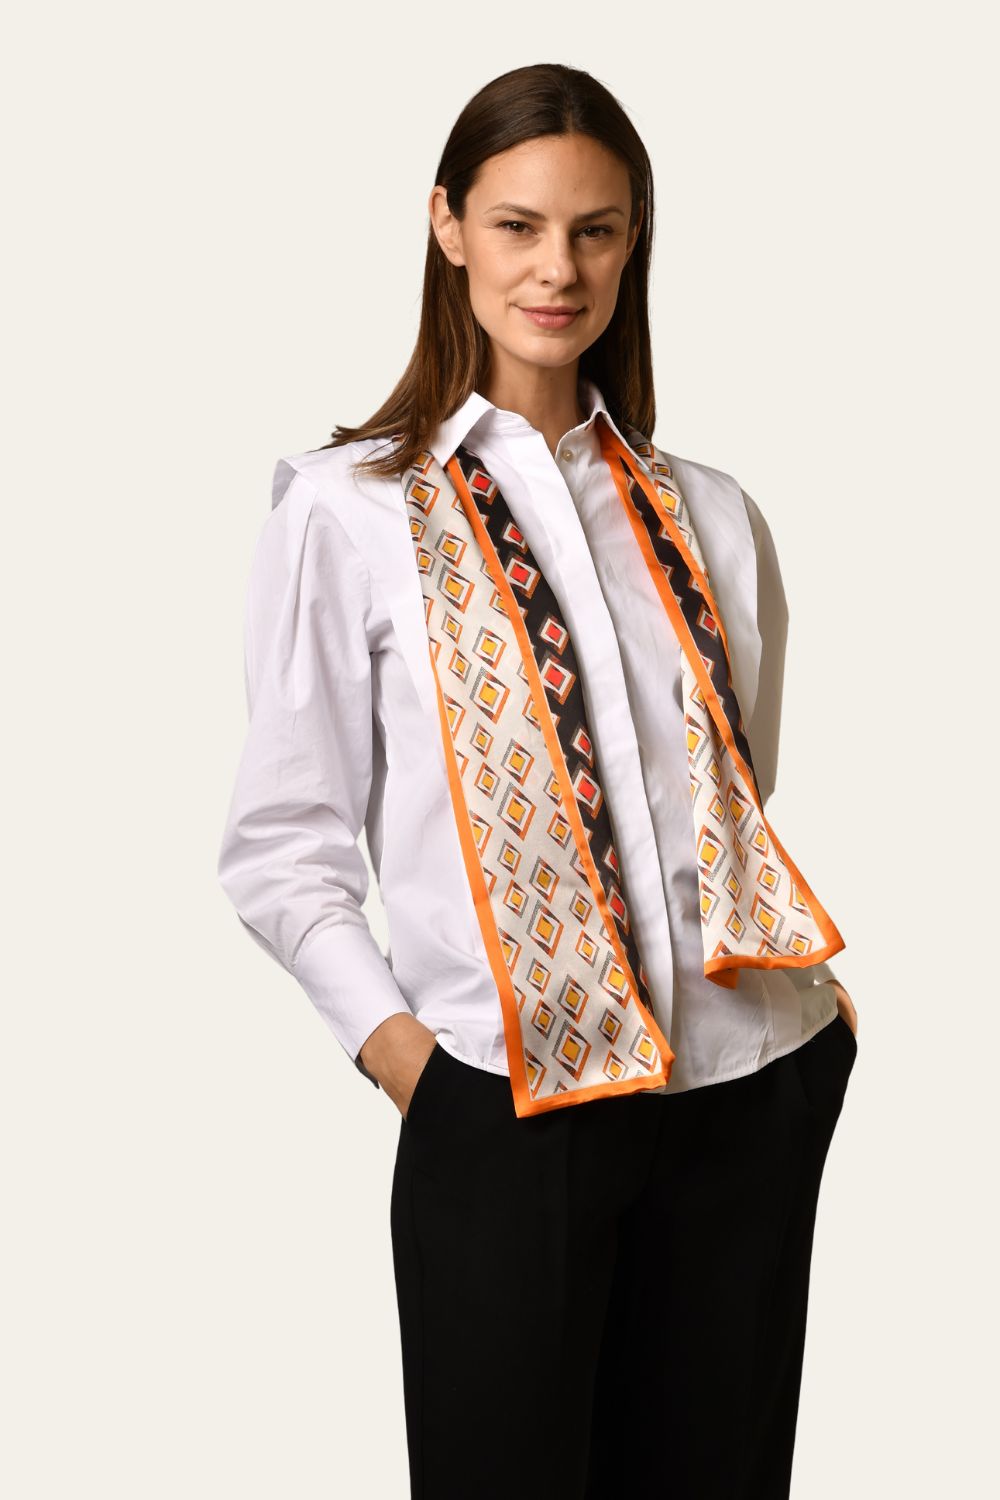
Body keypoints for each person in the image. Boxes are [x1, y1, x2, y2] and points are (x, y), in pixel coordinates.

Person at [217, 61, 859, 1500]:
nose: (555, 269)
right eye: (517, 226)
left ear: (634, 245)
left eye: (595, 230)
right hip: (508, 1114)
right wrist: (413, 1066)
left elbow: (735, 794)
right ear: (448, 226)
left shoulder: (712, 511)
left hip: (750, 1088)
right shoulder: (349, 511)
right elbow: (282, 843)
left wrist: (809, 1048)